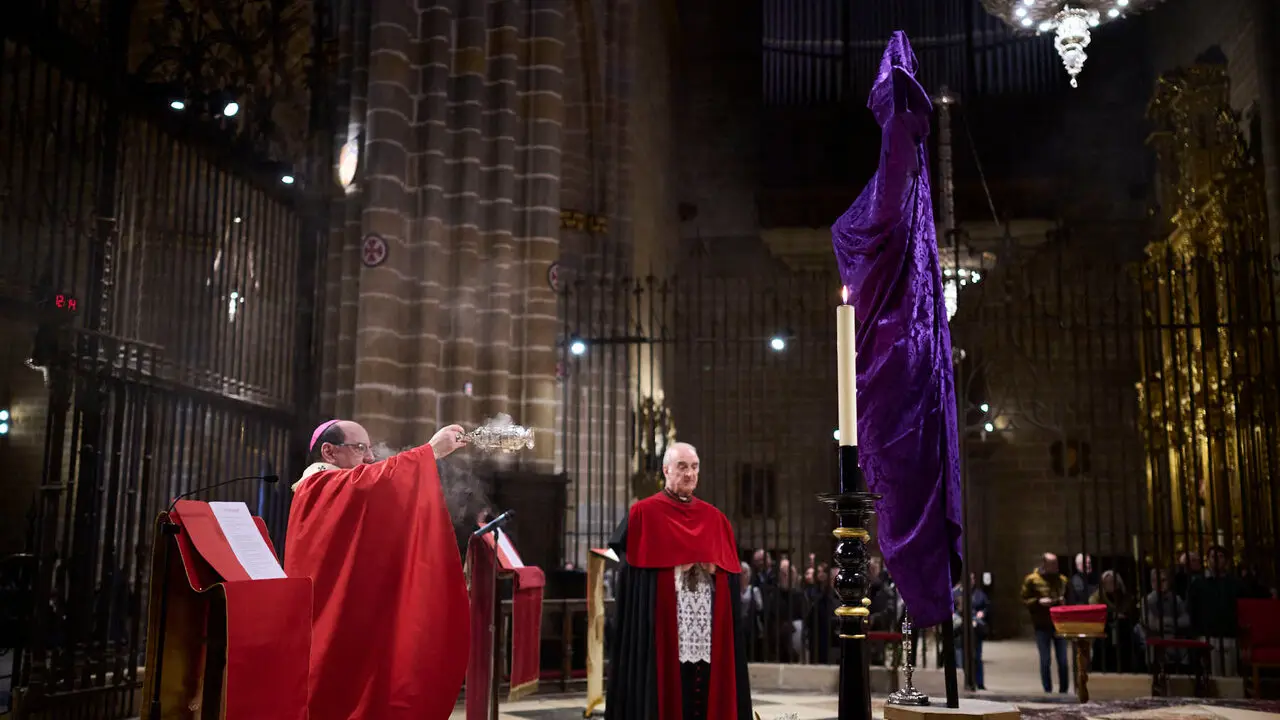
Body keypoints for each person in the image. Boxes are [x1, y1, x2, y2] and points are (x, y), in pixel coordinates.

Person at [286, 419, 469, 720]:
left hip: (349, 615)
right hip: (328, 621)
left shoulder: (335, 489)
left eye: (370, 449)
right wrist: (431, 451)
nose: (370, 457)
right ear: (329, 452)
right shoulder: (319, 486)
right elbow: (374, 481)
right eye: (360, 448)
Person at [606, 442, 753, 720]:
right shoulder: (643, 514)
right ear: (666, 470)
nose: (689, 474)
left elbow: (732, 578)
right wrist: (672, 570)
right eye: (682, 467)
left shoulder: (715, 518)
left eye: (694, 467)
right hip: (661, 629)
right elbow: (628, 572)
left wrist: (715, 570)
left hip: (706, 629)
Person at [1021, 553, 1068, 693]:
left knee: (1063, 661)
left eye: (1056, 564)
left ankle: (1064, 690)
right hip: (1042, 624)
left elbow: (1070, 597)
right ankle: (1047, 690)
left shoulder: (1062, 580)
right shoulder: (1032, 580)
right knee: (1045, 660)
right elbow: (1024, 599)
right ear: (1045, 564)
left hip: (1059, 624)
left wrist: (1062, 602)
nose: (1055, 567)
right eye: (1052, 564)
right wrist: (1038, 602)